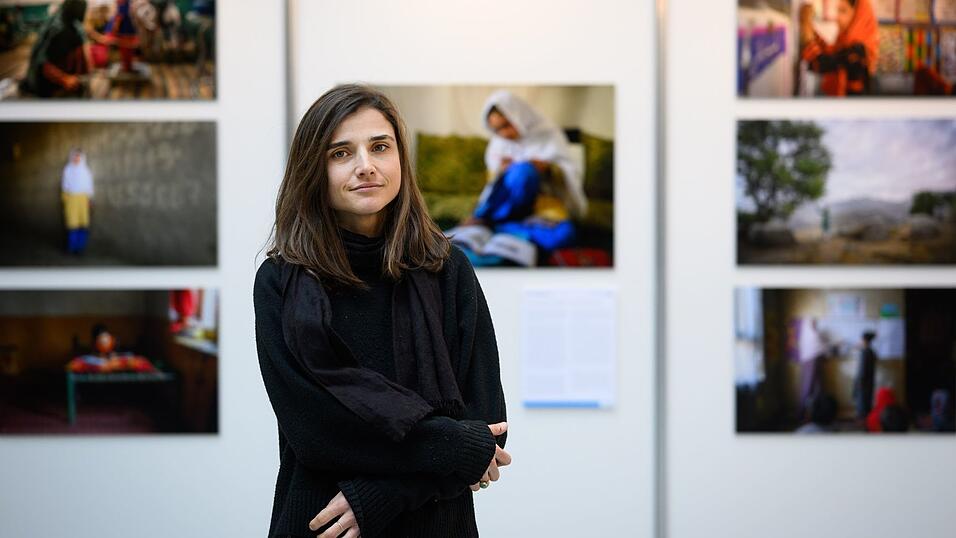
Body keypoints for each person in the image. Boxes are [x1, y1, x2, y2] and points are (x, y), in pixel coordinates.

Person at [254, 84, 510, 538]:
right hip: (324, 523)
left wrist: (384, 496)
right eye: (340, 153)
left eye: (379, 147)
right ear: (314, 169)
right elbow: (317, 433)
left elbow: (487, 428)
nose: (365, 166)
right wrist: (452, 445)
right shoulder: (281, 282)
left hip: (436, 524)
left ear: (399, 159)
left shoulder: (448, 269)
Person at [459, 90, 587, 264]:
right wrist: (503, 171)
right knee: (521, 171)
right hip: (507, 207)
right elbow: (493, 186)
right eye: (497, 129)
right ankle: (508, 226)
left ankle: (497, 227)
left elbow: (569, 173)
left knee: (565, 234)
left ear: (519, 115)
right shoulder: (498, 145)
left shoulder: (549, 136)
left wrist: (547, 168)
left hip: (542, 208)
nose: (504, 134)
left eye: (506, 125)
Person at [799, 0, 878, 96]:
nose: (837, 17)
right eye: (838, 11)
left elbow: (820, 63)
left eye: (843, 11)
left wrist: (805, 24)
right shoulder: (846, 44)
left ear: (859, 16)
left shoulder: (858, 50)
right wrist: (809, 27)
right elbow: (830, 52)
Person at [20, 0, 90, 98]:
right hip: (43, 86)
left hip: (35, 78)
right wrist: (65, 79)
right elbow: (45, 66)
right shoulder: (63, 31)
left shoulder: (59, 19)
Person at [61, 148, 94, 254]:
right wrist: (65, 200)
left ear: (82, 158)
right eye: (74, 156)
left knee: (83, 224)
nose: (76, 158)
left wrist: (89, 200)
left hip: (83, 200)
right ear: (71, 157)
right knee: (72, 224)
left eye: (78, 156)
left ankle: (80, 248)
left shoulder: (86, 171)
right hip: (71, 199)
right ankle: (71, 247)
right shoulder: (67, 170)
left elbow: (89, 186)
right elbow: (64, 186)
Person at [853, 330, 877, 421]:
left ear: (864, 340)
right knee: (867, 404)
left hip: (863, 383)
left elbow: (862, 371)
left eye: (861, 339)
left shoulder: (864, 352)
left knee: (862, 405)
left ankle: (863, 422)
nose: (860, 341)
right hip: (869, 382)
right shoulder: (871, 351)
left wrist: (858, 384)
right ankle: (867, 422)